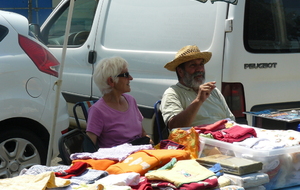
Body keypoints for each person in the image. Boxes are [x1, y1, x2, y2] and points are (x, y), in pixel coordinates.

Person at [161, 45, 235, 130]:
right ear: (180, 71)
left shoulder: (213, 91)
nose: (199, 69)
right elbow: (174, 127)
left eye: (201, 64)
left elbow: (231, 120)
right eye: (193, 65)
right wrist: (198, 101)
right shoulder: (173, 93)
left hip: (224, 138)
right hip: (195, 141)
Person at [86, 56, 153, 148]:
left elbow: (143, 133)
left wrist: (152, 145)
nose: (131, 78)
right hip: (118, 159)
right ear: (111, 81)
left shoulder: (130, 100)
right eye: (126, 75)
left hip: (140, 153)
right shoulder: (97, 110)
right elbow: (89, 147)